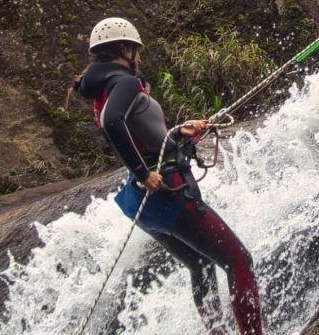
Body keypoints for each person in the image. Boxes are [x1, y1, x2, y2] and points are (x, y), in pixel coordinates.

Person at [73, 17, 263, 335]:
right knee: (239, 260)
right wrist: (144, 173)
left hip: (143, 204)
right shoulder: (125, 82)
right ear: (123, 49)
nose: (141, 57)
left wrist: (179, 132)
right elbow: (112, 122)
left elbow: (141, 135)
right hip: (166, 192)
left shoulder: (104, 87)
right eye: (137, 50)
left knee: (200, 266)